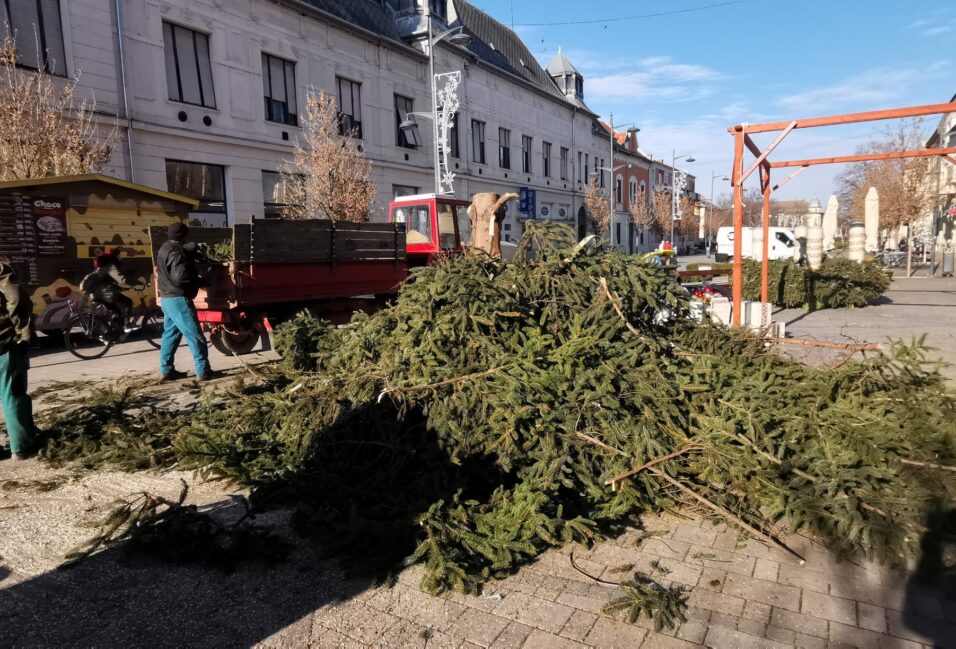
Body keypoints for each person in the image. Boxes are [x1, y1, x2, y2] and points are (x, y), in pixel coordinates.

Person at [156, 222, 213, 381]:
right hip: (178, 299)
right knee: (195, 335)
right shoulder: (177, 253)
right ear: (183, 236)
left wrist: (192, 247)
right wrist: (200, 281)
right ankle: (203, 370)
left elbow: (179, 251)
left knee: (170, 335)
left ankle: (166, 370)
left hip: (166, 299)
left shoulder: (164, 248)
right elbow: (181, 277)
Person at [0, 257, 37, 460]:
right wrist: (21, 330)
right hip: (4, 342)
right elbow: (16, 298)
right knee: (12, 392)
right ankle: (21, 446)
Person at [85, 248, 136, 333]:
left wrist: (120, 288)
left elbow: (106, 282)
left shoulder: (101, 268)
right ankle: (127, 325)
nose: (121, 258)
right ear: (113, 258)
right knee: (128, 302)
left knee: (117, 312)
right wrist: (137, 283)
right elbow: (123, 280)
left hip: (97, 295)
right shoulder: (110, 268)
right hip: (104, 295)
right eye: (119, 256)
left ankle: (115, 331)